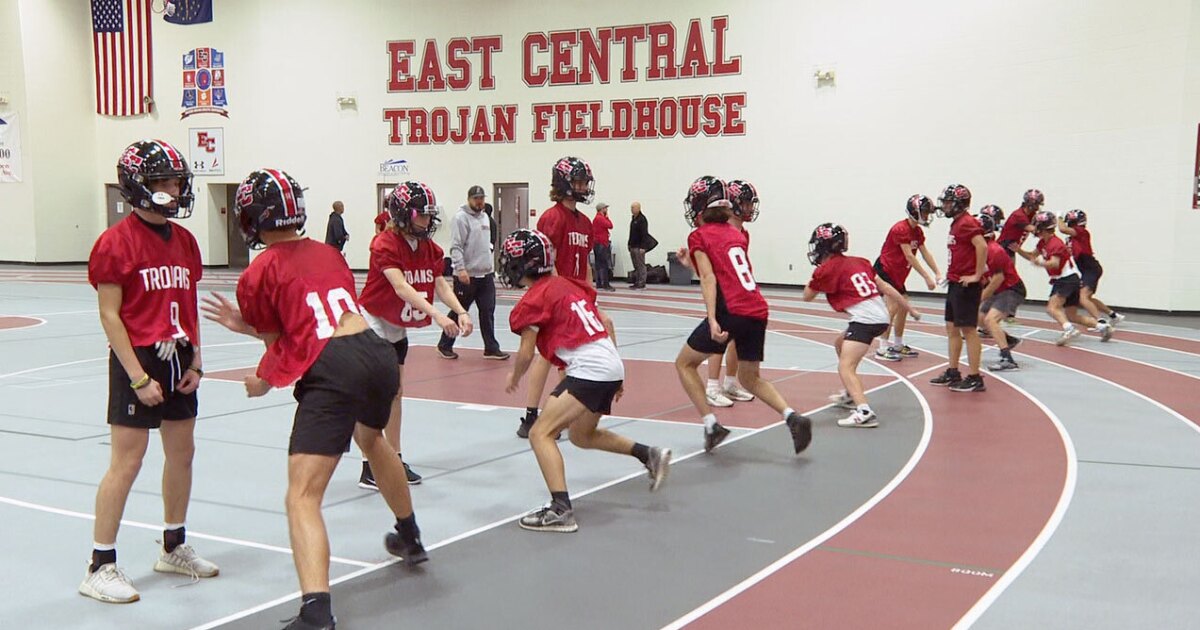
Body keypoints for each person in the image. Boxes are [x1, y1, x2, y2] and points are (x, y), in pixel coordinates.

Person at [202, 169, 427, 630]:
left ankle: (316, 611)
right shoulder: (327, 253)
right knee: (373, 440)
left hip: (334, 365)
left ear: (251, 218)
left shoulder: (258, 270)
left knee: (302, 496)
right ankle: (410, 534)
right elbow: (313, 315)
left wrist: (262, 380)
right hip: (374, 352)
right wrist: (243, 326)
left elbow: (281, 342)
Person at [80, 139, 215, 604]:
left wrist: (196, 357)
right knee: (128, 462)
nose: (174, 189)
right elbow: (110, 315)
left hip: (178, 354)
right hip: (137, 357)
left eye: (177, 180)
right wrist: (138, 375)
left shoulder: (186, 242)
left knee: (183, 454)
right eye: (162, 181)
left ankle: (173, 545)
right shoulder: (115, 242)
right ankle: (100, 564)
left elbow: (189, 305)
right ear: (138, 186)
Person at [501, 229, 671, 532]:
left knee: (541, 433)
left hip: (589, 369)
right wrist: (617, 373)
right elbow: (606, 321)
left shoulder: (532, 300)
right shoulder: (567, 284)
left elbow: (527, 353)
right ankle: (649, 454)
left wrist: (514, 375)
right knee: (581, 435)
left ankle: (560, 509)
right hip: (608, 362)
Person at [672, 176, 813, 454]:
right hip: (757, 308)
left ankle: (712, 425)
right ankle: (792, 417)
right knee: (751, 378)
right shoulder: (735, 233)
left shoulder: (698, 236)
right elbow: (724, 271)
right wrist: (690, 264)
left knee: (684, 364)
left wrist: (712, 318)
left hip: (731, 308)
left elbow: (710, 279)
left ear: (699, 205)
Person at [358, 181, 474, 487]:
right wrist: (436, 314)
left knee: (396, 392)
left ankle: (393, 457)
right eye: (422, 214)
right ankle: (370, 463)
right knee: (379, 393)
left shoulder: (427, 248)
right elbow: (401, 286)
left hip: (395, 323)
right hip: (374, 320)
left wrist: (460, 310)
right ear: (402, 213)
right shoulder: (384, 244)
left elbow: (440, 284)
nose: (428, 220)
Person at [805, 223, 920, 428]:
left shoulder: (826, 270)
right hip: (881, 317)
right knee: (839, 343)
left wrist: (816, 276)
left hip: (865, 321)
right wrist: (909, 308)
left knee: (845, 367)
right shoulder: (860, 262)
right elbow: (886, 287)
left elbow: (807, 296)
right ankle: (851, 394)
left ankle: (864, 411)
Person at [515, 157, 595, 439]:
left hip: (575, 295)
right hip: (555, 294)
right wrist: (561, 294)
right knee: (549, 356)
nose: (584, 186)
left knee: (567, 357)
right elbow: (547, 261)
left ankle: (563, 414)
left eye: (585, 181)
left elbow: (585, 263)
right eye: (578, 181)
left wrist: (589, 293)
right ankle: (532, 414)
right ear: (564, 184)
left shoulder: (585, 222)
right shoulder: (552, 217)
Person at [700, 179, 759, 407]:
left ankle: (731, 382)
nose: (751, 208)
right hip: (722, 290)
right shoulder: (720, 230)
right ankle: (712, 386)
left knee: (737, 337)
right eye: (746, 203)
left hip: (738, 291)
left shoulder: (743, 231)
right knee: (721, 337)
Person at [1018, 210, 1113, 345]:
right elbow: (1032, 256)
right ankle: (1103, 327)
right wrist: (1018, 250)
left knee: (1052, 308)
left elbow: (1054, 263)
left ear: (1042, 227)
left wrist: (1040, 263)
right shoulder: (1043, 243)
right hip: (1070, 279)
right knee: (1071, 315)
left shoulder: (1055, 243)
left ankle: (1069, 330)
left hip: (1066, 279)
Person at [436, 185, 508, 361]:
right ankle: (444, 344)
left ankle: (491, 348)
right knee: (458, 310)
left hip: (486, 274)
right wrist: (460, 268)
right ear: (469, 199)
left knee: (488, 311)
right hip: (467, 275)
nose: (479, 201)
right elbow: (456, 246)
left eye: (482, 198)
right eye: (476, 198)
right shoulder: (460, 218)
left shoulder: (485, 218)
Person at [929, 184, 988, 392]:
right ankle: (953, 371)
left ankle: (974, 376)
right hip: (955, 282)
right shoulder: (956, 223)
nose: (944, 206)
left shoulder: (967, 223)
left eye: (948, 202)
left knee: (969, 330)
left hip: (966, 285)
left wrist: (977, 275)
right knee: (951, 328)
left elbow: (982, 245)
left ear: (959, 204)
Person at [872, 194, 940, 361]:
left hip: (898, 274)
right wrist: (926, 277)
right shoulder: (900, 229)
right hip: (886, 271)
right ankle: (882, 347)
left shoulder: (917, 231)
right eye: (924, 212)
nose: (926, 216)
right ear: (914, 211)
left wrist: (937, 272)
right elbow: (909, 256)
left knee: (903, 307)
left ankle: (898, 343)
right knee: (893, 307)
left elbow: (925, 253)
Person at [975, 209, 1026, 371]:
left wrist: (980, 297)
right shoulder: (981, 249)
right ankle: (1008, 340)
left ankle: (1007, 358)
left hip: (1011, 289)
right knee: (979, 318)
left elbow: (998, 279)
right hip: (1000, 289)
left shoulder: (993, 250)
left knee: (990, 320)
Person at [1059, 209, 1125, 327]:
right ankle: (1113, 315)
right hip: (1086, 269)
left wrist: (1058, 218)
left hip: (1090, 268)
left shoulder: (1082, 232)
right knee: (1088, 298)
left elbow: (1062, 229)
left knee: (1082, 297)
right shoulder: (1071, 238)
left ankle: (1100, 321)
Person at [997, 189, 1042, 257]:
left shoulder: (1030, 214)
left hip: (1011, 248)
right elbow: (1035, 231)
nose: (1038, 207)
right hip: (1003, 248)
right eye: (1037, 204)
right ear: (1030, 204)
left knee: (1011, 267)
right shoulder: (1019, 215)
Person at [627, 201, 652, 289]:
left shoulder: (642, 219)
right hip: (633, 246)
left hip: (639, 247)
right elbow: (631, 233)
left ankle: (642, 282)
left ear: (638, 208)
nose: (632, 210)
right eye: (631, 208)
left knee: (641, 265)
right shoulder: (633, 219)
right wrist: (629, 244)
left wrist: (643, 247)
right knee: (636, 265)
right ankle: (637, 281)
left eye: (633, 208)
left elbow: (644, 234)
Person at [591, 202, 615, 291]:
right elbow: (610, 225)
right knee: (604, 264)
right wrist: (607, 217)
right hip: (602, 243)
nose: (607, 210)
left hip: (597, 243)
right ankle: (605, 284)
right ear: (602, 209)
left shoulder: (596, 219)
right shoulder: (600, 218)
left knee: (598, 264)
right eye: (605, 208)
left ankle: (599, 283)